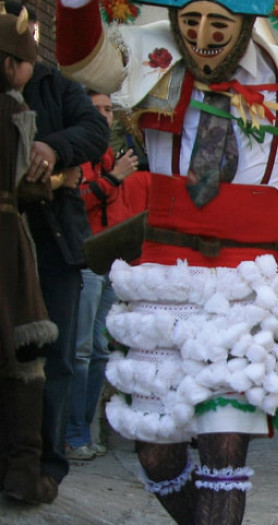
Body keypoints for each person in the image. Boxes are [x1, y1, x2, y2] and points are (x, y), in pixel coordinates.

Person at [55, 0, 278, 522]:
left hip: (246, 281)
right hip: (162, 279)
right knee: (157, 452)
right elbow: (80, 58)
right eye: (190, 21)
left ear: (244, 24)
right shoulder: (149, 51)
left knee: (224, 444)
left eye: (218, 23)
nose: (201, 35)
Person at [11, 0, 111, 495]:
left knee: (57, 358)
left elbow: (96, 130)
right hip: (7, 244)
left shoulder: (59, 87)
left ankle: (47, 465)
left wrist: (52, 149)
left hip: (53, 245)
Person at [0, 5, 60, 504]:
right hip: (5, 242)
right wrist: (53, 182)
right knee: (24, 355)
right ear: (8, 65)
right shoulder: (13, 109)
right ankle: (23, 473)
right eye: (24, 62)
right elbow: (23, 182)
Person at [66, 90, 140, 461]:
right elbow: (76, 201)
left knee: (98, 351)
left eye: (109, 110)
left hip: (111, 266)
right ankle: (72, 434)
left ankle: (85, 431)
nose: (105, 116)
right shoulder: (79, 158)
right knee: (80, 351)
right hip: (85, 263)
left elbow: (125, 212)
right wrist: (112, 178)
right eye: (97, 110)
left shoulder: (115, 158)